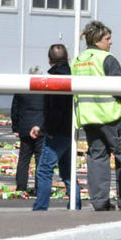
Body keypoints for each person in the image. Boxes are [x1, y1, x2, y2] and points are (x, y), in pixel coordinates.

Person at [71, 21, 121, 211]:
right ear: (97, 40)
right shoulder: (107, 59)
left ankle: (100, 202)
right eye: (107, 39)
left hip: (89, 118)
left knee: (97, 159)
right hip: (111, 117)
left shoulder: (78, 60)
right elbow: (119, 88)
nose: (111, 42)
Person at [31, 44, 82, 211]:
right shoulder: (73, 74)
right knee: (67, 172)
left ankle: (40, 208)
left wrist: (48, 130)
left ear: (49, 59)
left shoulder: (53, 79)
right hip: (70, 129)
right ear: (67, 58)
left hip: (57, 132)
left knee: (45, 170)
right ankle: (75, 204)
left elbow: (55, 109)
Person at [11, 66, 45, 192]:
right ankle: (39, 187)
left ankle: (21, 187)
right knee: (40, 159)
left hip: (24, 127)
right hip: (41, 127)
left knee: (24, 159)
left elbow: (15, 109)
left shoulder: (22, 89)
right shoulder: (45, 90)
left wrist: (15, 127)